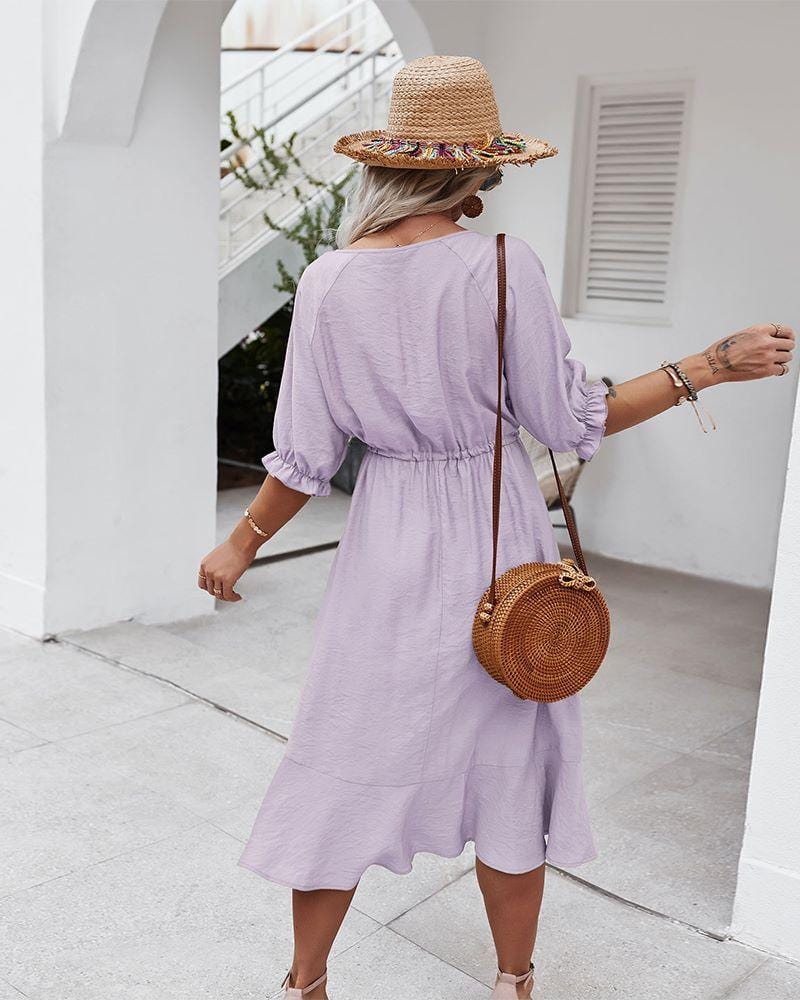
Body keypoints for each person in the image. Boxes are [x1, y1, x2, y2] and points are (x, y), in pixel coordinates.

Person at [198, 56, 793, 1000]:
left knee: (350, 748)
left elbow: (305, 453)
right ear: (477, 170)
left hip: (387, 545)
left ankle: (304, 985)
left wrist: (242, 543)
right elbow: (570, 421)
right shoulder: (503, 267)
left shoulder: (327, 281)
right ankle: (515, 984)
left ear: (386, 165)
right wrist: (707, 365)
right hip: (497, 542)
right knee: (510, 761)